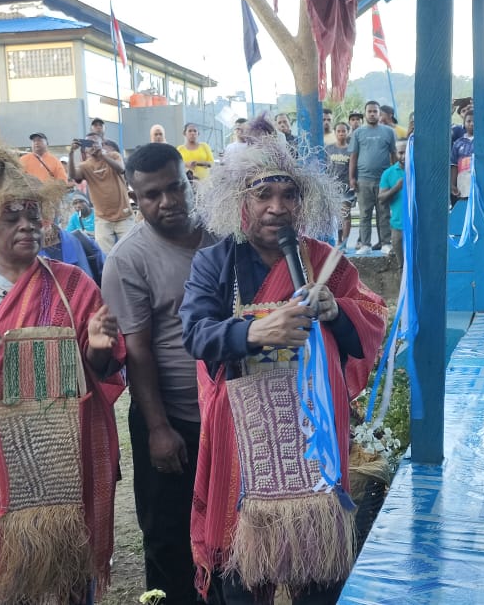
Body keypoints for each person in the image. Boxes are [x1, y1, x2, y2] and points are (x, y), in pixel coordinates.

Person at [180, 116, 386, 605]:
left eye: (289, 195)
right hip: (244, 433)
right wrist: (253, 332)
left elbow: (373, 322)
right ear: (241, 201)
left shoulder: (324, 259)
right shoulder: (216, 261)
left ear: (303, 201)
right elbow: (194, 333)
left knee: (318, 574)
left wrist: (338, 312)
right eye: (263, 195)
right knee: (243, 575)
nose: (277, 207)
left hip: (315, 431)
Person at [0, 146, 125, 605]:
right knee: (14, 568)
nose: (26, 226)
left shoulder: (75, 284)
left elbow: (102, 369)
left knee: (73, 561)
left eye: (33, 216)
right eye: (12, 218)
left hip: (68, 446)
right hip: (2, 448)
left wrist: (99, 348)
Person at [100, 143, 217, 605]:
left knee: (226, 536)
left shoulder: (223, 234)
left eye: (175, 187)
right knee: (170, 541)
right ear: (135, 198)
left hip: (227, 416)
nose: (167, 202)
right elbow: (138, 351)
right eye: (152, 195)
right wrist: (158, 428)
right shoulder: (127, 259)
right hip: (173, 418)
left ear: (189, 180)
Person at [69, 133, 134, 252]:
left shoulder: (114, 155)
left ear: (102, 144)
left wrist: (102, 155)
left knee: (130, 251)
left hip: (124, 215)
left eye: (95, 142)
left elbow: (121, 169)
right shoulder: (85, 166)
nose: (92, 146)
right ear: (85, 148)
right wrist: (71, 153)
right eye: (88, 143)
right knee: (105, 255)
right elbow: (73, 176)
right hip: (102, 218)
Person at [349, 101, 398, 254]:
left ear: (379, 114)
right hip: (363, 180)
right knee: (365, 214)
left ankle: (385, 243)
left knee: (384, 213)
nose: (372, 114)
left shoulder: (389, 132)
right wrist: (352, 178)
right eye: (369, 111)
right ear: (365, 114)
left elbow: (394, 155)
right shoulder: (358, 133)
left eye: (375, 111)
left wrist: (395, 176)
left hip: (384, 180)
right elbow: (353, 156)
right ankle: (365, 244)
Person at [451, 108, 484, 205]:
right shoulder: (458, 143)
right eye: (469, 121)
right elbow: (454, 165)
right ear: (464, 123)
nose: (472, 124)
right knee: (467, 208)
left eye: (475, 121)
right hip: (464, 182)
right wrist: (452, 184)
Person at [324, 121, 354, 248]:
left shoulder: (351, 149)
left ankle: (344, 243)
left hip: (346, 187)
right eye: (339, 131)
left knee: (345, 214)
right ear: (335, 133)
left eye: (344, 131)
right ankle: (339, 241)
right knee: (335, 215)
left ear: (348, 132)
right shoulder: (328, 148)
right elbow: (324, 166)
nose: (341, 133)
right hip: (332, 187)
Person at [379, 140, 408, 269]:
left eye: (407, 152)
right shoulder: (389, 173)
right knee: (402, 267)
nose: (404, 156)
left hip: (416, 227)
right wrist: (396, 187)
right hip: (398, 227)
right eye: (401, 153)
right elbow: (381, 198)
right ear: (395, 153)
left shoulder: (419, 170)